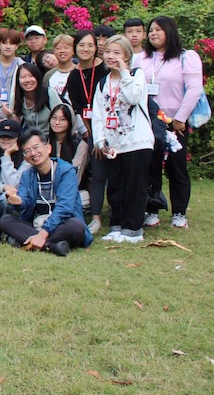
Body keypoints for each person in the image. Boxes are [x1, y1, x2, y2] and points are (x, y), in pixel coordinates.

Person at [140, 16, 203, 229]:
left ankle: (179, 213)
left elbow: (194, 89)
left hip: (175, 123)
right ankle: (152, 210)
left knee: (176, 167)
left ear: (170, 32)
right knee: (150, 167)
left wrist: (180, 119)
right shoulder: (142, 58)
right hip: (148, 121)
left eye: (158, 29)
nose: (153, 33)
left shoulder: (186, 57)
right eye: (151, 30)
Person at [92, 35, 152, 243]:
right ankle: (117, 226)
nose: (111, 56)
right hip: (114, 144)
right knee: (115, 187)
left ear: (126, 56)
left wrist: (124, 72)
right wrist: (100, 141)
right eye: (108, 52)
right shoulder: (103, 82)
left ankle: (133, 229)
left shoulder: (136, 74)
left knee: (134, 186)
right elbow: (98, 114)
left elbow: (134, 97)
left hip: (137, 141)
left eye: (116, 53)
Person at [0, 129, 93, 256]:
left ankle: (28, 241)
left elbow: (65, 207)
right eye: (27, 151)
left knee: (76, 226)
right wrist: (18, 202)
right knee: (5, 220)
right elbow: (25, 202)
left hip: (62, 223)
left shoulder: (66, 171)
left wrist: (43, 234)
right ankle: (52, 246)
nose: (33, 153)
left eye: (36, 147)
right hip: (36, 223)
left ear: (48, 148)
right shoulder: (27, 175)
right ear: (26, 158)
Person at [66, 30, 107, 232]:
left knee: (118, 175)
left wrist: (104, 135)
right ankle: (96, 218)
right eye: (81, 45)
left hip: (115, 129)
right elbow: (80, 110)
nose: (86, 49)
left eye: (90, 45)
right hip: (93, 131)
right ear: (75, 48)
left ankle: (120, 214)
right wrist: (95, 137)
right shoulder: (74, 76)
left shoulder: (106, 69)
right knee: (97, 174)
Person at [9, 62, 63, 135]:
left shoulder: (49, 93)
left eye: (31, 76)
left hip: (52, 136)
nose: (27, 80)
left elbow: (62, 116)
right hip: (30, 137)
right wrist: (9, 115)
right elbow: (16, 126)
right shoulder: (15, 97)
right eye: (23, 77)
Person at [48, 104, 88, 181]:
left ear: (70, 121)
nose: (57, 122)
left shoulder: (80, 145)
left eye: (62, 119)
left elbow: (75, 174)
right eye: (54, 118)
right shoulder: (44, 141)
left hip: (69, 185)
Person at [43, 34, 76, 101]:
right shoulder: (49, 75)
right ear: (54, 52)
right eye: (58, 48)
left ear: (73, 50)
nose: (62, 51)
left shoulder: (80, 72)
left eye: (66, 48)